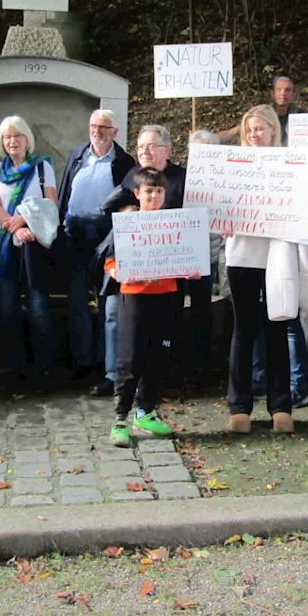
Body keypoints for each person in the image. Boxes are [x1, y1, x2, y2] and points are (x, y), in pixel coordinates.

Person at [104, 167, 193, 446]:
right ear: (137, 193)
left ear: (165, 194)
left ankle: (145, 411)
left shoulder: (175, 224)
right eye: (148, 191)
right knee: (130, 357)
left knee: (158, 355)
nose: (154, 196)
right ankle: (120, 418)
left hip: (165, 295)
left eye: (158, 191)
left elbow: (188, 255)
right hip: (135, 296)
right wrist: (121, 273)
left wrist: (190, 267)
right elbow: (110, 262)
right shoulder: (127, 224)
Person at [223, 105, 298, 434]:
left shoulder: (290, 163)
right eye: (249, 129)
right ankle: (239, 406)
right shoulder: (231, 164)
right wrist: (219, 219)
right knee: (243, 330)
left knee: (277, 329)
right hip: (241, 255)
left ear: (272, 130)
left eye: (259, 128)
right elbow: (216, 202)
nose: (254, 135)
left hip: (277, 254)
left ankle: (280, 406)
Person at [121, 126, 214, 385]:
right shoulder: (132, 176)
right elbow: (114, 206)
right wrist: (127, 208)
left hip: (182, 261)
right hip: (144, 266)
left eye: (151, 146)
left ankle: (193, 371)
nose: (145, 151)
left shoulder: (184, 178)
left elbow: (198, 217)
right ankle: (152, 375)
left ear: (167, 150)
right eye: (140, 147)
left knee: (190, 314)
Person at [56, 109, 135, 395]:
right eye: (93, 125)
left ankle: (107, 365)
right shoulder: (78, 155)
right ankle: (82, 360)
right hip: (75, 236)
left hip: (106, 238)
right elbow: (65, 191)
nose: (97, 131)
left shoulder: (125, 162)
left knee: (107, 304)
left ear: (115, 132)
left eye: (104, 127)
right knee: (77, 301)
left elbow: (129, 199)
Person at [0, 115, 58, 389]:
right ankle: (14, 367)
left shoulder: (42, 167)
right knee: (7, 305)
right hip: (4, 242)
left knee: (38, 304)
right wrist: (14, 227)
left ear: (27, 139)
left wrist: (26, 222)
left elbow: (50, 202)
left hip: (33, 245)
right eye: (7, 137)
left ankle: (45, 368)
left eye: (18, 136)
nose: (13, 141)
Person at [218, 76, 303, 145]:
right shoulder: (261, 114)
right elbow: (233, 132)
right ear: (272, 93)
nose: (283, 93)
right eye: (278, 89)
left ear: (293, 95)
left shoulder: (303, 116)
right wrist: (210, 139)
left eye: (287, 90)